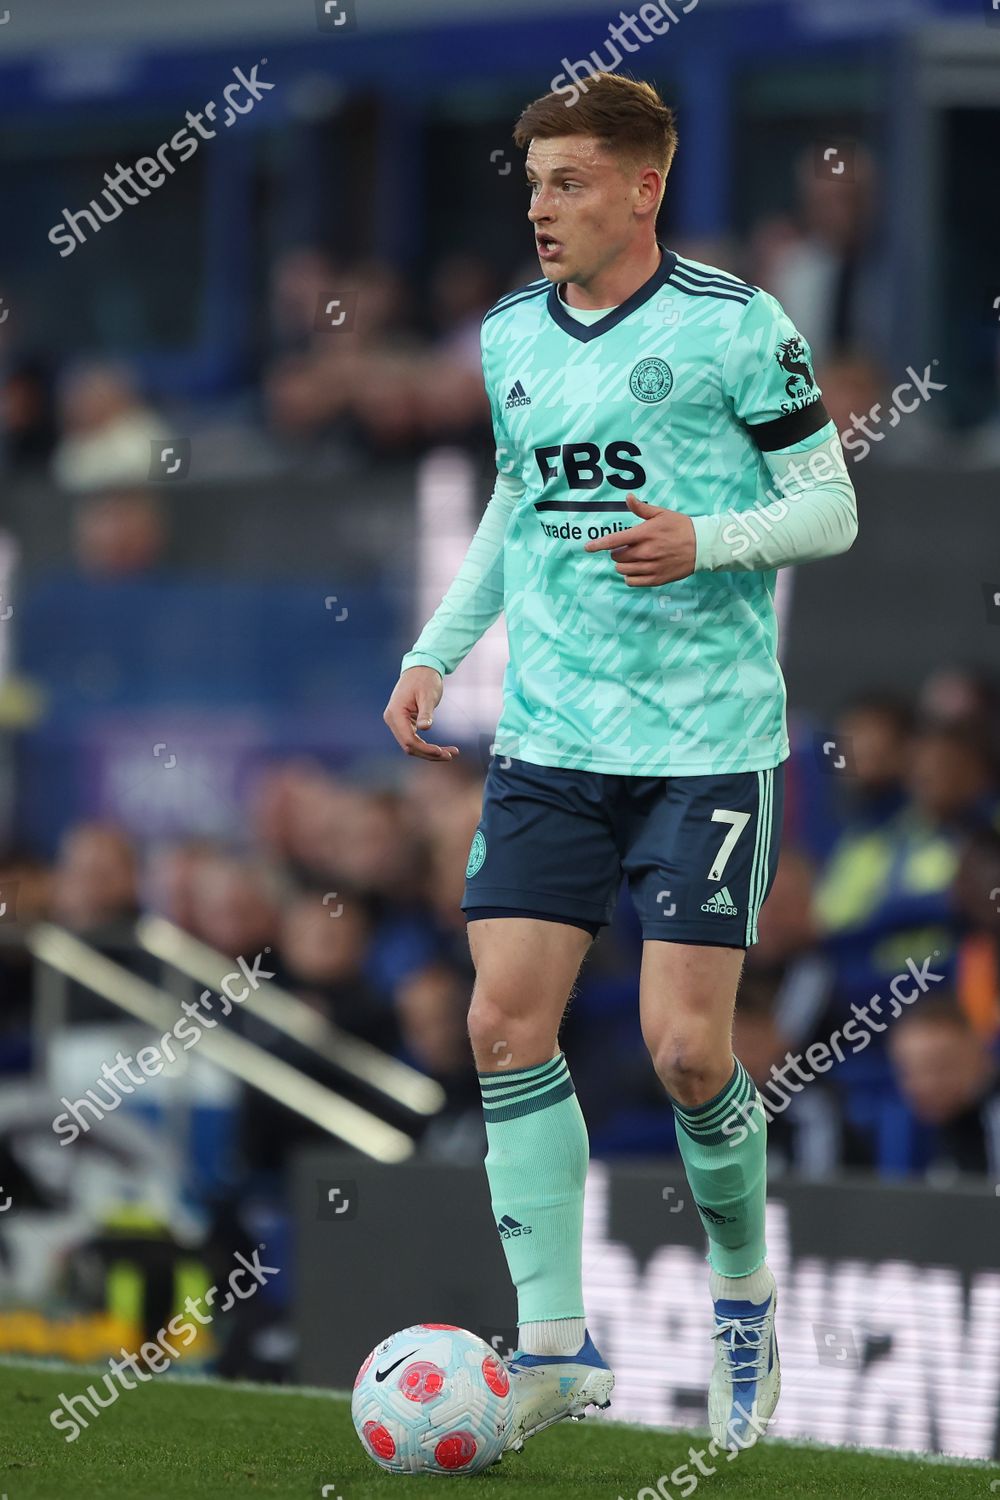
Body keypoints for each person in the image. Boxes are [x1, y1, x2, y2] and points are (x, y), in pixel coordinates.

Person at [383, 73, 858, 1455]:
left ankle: (742, 1295)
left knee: (683, 1049)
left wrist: (704, 541)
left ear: (643, 188)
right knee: (499, 1025)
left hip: (706, 747)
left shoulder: (735, 328)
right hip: (550, 741)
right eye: (532, 179)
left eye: (572, 179)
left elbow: (828, 504)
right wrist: (436, 648)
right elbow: (514, 511)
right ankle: (552, 1351)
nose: (541, 204)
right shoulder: (507, 335)